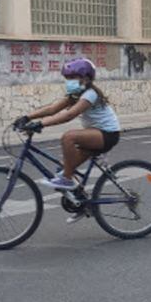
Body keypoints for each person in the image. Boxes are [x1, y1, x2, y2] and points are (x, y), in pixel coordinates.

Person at [19, 58, 122, 199]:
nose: (69, 81)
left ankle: (67, 180)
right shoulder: (75, 95)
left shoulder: (90, 94)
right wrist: (27, 117)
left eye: (72, 77)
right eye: (67, 78)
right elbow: (52, 109)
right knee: (64, 167)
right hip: (95, 134)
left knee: (69, 137)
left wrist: (41, 124)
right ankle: (82, 202)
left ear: (85, 78)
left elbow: (69, 115)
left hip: (107, 135)